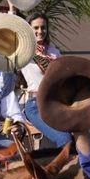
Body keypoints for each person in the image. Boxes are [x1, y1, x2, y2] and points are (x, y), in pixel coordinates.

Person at [20, 13, 69, 146]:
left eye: (43, 27)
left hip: (57, 102)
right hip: (36, 105)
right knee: (65, 139)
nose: (40, 31)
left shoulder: (54, 52)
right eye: (35, 28)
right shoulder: (25, 51)